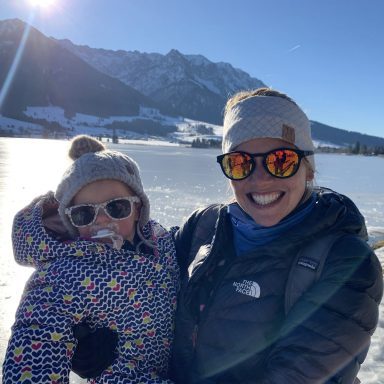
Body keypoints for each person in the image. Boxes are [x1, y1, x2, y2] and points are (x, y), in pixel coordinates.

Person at [170, 88, 383, 383]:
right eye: (240, 163)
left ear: (308, 169)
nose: (259, 178)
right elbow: (139, 271)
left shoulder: (346, 262)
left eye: (281, 161)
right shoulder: (204, 226)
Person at [2, 135, 179, 383]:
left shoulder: (162, 245)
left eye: (117, 207)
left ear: (138, 208)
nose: (102, 220)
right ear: (70, 221)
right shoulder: (62, 277)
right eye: (85, 213)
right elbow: (33, 354)